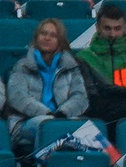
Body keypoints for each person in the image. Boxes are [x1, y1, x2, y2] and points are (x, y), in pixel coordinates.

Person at [6, 17, 92, 157]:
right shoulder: (22, 66)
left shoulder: (71, 67)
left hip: (63, 117)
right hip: (27, 122)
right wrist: (47, 114)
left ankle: (108, 164)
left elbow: (80, 97)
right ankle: (44, 165)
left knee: (85, 127)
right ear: (36, 37)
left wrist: (63, 113)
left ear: (60, 41)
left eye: (53, 35)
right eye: (43, 33)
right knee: (48, 125)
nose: (47, 38)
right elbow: (18, 97)